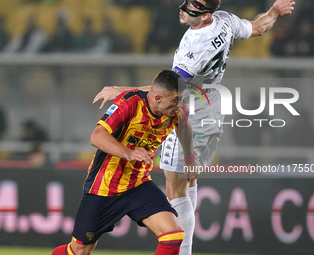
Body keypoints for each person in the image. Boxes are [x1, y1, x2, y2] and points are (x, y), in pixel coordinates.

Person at [93, 0, 295, 254]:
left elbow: (169, 90)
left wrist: (122, 90)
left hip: (189, 114)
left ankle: (183, 251)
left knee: (174, 188)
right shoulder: (225, 20)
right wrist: (275, 11)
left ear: (205, 15)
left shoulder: (197, 47)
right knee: (189, 179)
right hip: (211, 111)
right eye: (186, 4)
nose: (182, 9)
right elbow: (257, 28)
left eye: (190, 9)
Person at [51, 69, 199, 255]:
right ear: (158, 98)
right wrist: (129, 153)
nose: (179, 105)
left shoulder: (177, 111)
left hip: (138, 184)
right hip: (104, 186)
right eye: (175, 100)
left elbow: (184, 128)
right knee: (80, 250)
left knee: (173, 235)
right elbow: (97, 137)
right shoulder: (131, 103)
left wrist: (190, 158)